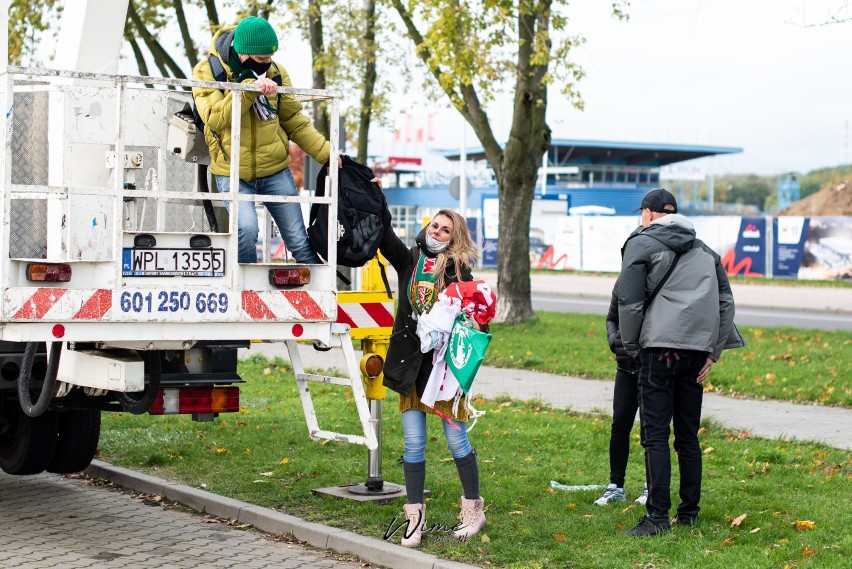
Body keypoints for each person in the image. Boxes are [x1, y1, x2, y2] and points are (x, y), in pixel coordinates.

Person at [617, 189, 735, 537]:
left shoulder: (640, 243)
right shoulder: (706, 251)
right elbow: (726, 301)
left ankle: (656, 518)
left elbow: (629, 301)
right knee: (687, 437)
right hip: (696, 354)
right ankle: (689, 514)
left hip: (658, 350)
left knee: (655, 436)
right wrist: (714, 351)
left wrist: (632, 347)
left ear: (650, 215)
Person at [379, 209, 486, 548]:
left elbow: (476, 318)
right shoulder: (409, 259)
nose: (436, 232)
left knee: (457, 441)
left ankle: (473, 510)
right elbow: (384, 234)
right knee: (413, 443)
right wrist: (376, 193)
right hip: (410, 363)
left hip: (444, 369)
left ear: (454, 238)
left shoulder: (459, 270)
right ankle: (415, 516)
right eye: (434, 226)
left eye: (444, 230)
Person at [192, 16, 326, 264]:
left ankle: (317, 298)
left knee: (298, 239)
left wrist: (327, 154)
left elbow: (294, 120)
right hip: (232, 172)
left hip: (274, 170)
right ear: (242, 54)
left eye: (270, 58)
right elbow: (215, 119)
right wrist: (247, 90)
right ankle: (246, 289)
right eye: (262, 59)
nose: (268, 64)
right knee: (246, 229)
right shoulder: (208, 72)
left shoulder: (276, 72)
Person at [593, 281, 648, 507]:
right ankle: (616, 486)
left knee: (651, 429)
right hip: (625, 367)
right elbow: (611, 318)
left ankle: (651, 486)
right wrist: (614, 341)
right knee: (620, 426)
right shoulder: (624, 283)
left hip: (651, 368)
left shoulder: (659, 282)